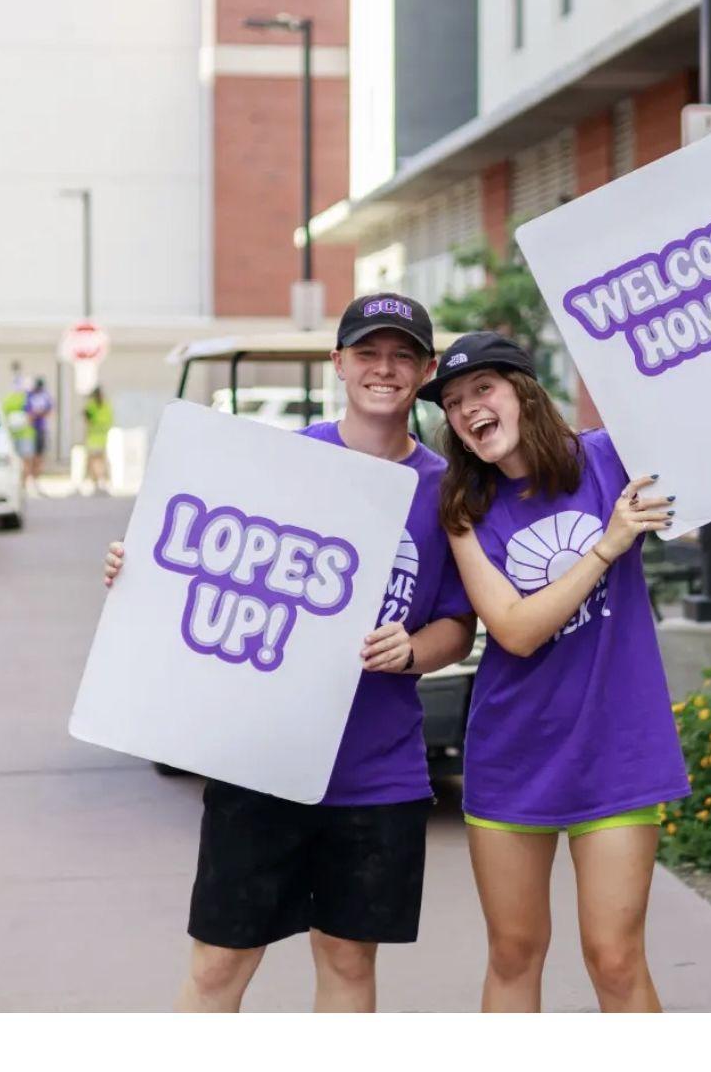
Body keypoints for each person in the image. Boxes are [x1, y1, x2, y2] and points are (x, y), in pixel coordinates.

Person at [418, 331, 711, 1013]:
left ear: (524, 392)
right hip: (514, 750)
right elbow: (516, 632)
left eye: (482, 390)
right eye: (454, 402)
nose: (468, 410)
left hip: (618, 745)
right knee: (514, 955)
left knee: (615, 958)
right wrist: (607, 547)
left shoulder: (608, 458)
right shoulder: (465, 509)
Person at [102, 295, 475, 1012]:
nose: (384, 370)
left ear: (426, 371)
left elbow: (459, 621)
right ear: (339, 364)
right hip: (261, 758)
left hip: (376, 773)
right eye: (368, 353)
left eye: (402, 356)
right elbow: (196, 558)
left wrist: (415, 648)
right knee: (218, 965)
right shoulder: (280, 462)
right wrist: (137, 569)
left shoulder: (447, 489)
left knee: (347, 965)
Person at [1, 365, 35, 488]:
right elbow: (31, 415)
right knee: (26, 460)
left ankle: (19, 484)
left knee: (17, 461)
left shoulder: (8, 399)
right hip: (25, 434)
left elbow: (3, 416)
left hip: (13, 434)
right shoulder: (27, 398)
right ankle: (24, 483)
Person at [82, 386, 114, 494]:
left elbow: (87, 419)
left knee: (95, 461)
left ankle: (98, 483)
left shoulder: (92, 405)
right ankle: (100, 482)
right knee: (99, 461)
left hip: (94, 437)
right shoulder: (105, 405)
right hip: (100, 437)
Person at [25, 376, 54, 486]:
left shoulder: (45, 396)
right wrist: (36, 414)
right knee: (28, 456)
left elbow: (48, 411)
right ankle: (28, 479)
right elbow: (28, 413)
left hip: (40, 428)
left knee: (39, 455)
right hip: (29, 430)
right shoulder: (29, 396)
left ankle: (36, 479)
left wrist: (38, 413)